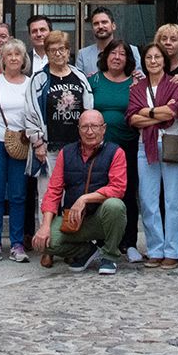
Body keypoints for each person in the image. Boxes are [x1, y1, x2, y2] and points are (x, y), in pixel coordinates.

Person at [32, 110, 128, 274]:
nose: (90, 132)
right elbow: (53, 191)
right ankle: (87, 251)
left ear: (103, 128)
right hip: (73, 220)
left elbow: (118, 188)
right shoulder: (66, 152)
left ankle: (110, 256)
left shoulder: (116, 152)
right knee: (46, 242)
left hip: (101, 218)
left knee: (115, 205)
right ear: (78, 129)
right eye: (85, 127)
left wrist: (84, 198)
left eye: (95, 126)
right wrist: (45, 226)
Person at [128, 42, 178, 267]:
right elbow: (132, 118)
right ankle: (155, 249)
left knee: (173, 198)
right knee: (148, 199)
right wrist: (158, 114)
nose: (153, 61)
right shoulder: (137, 87)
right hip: (146, 146)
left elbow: (174, 112)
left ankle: (173, 250)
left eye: (157, 57)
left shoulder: (174, 83)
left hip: (170, 144)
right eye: (149, 57)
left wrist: (147, 113)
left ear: (164, 60)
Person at [0, 40, 34, 262]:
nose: (13, 58)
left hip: (21, 143)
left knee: (19, 194)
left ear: (23, 59)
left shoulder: (30, 84)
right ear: (2, 59)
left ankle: (17, 243)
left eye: (17, 54)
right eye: (8, 54)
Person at [89, 39, 141, 263]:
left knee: (128, 194)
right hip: (100, 148)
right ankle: (103, 242)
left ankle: (129, 242)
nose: (117, 57)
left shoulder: (136, 83)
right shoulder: (94, 80)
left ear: (128, 59)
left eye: (122, 54)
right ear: (105, 56)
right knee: (102, 193)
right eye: (113, 53)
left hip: (128, 145)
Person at [27, 31, 93, 185]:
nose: (57, 53)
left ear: (68, 51)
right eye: (52, 50)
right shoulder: (38, 79)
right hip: (49, 147)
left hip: (77, 146)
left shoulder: (80, 77)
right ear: (47, 53)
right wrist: (38, 143)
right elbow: (30, 112)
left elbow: (88, 108)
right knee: (48, 194)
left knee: (74, 192)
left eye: (61, 49)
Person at [77, 6, 117, 74]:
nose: (100, 26)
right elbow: (79, 82)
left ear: (113, 26)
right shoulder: (83, 55)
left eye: (104, 22)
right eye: (96, 24)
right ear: (92, 29)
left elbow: (140, 79)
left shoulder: (132, 51)